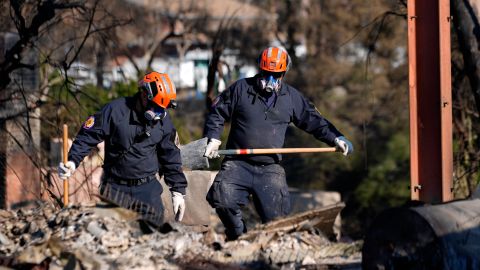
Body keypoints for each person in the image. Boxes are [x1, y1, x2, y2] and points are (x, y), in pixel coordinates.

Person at [203, 46, 353, 240]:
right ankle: (238, 238)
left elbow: (314, 120)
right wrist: (213, 138)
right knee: (223, 200)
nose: (271, 78)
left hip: (270, 168)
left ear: (283, 73)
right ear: (260, 69)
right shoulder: (241, 89)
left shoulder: (291, 98)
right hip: (237, 164)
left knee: (278, 222)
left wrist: (336, 137)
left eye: (276, 74)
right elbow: (217, 112)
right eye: (267, 73)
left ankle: (269, 250)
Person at [58, 71, 187, 222]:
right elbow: (88, 136)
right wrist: (72, 161)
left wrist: (178, 191)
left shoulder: (163, 121)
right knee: (110, 236)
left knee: (152, 237)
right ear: (144, 95)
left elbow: (170, 155)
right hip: (115, 189)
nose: (158, 114)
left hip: (148, 190)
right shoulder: (115, 110)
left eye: (162, 109)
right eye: (156, 107)